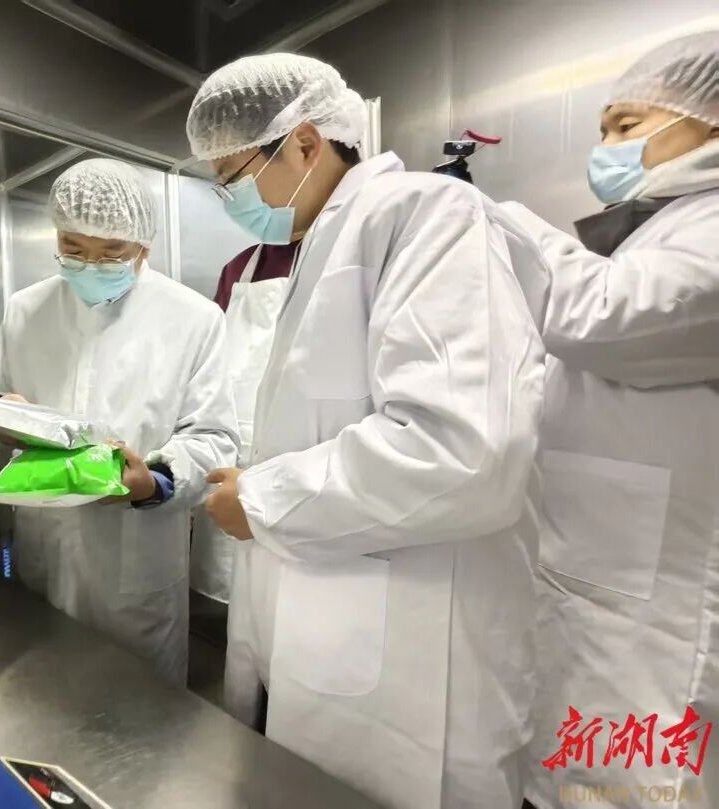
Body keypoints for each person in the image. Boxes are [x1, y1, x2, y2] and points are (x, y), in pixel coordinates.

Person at [187, 53, 551, 809]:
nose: (231, 200)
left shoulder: (424, 214)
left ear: (305, 143)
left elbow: (464, 452)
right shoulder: (324, 244)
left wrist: (263, 499)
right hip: (330, 633)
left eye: (233, 177)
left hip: (418, 667)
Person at [500, 31, 719, 809]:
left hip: (661, 595)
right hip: (604, 563)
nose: (607, 148)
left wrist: (491, 219)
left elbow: (604, 316)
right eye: (601, 129)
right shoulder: (664, 225)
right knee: (576, 762)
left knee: (637, 781)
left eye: (627, 125)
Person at [0, 158, 239, 686]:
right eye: (72, 248)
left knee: (142, 704)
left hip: (136, 556)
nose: (91, 265)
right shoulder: (26, 309)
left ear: (144, 246)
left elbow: (214, 436)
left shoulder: (193, 318)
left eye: (112, 253)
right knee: (43, 692)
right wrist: (0, 415)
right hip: (43, 549)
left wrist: (154, 481)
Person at [189, 220, 309, 603]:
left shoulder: (331, 260)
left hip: (296, 458)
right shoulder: (239, 268)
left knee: (287, 596)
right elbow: (209, 365)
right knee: (228, 598)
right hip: (229, 456)